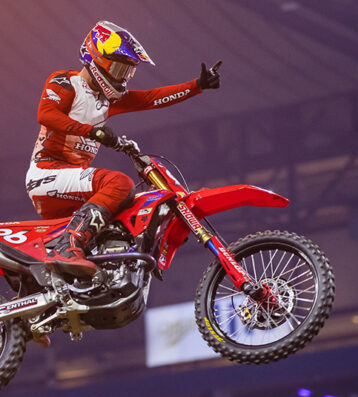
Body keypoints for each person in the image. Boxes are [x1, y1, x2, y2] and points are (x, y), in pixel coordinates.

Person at [26, 20, 220, 277]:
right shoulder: (64, 82)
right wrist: (92, 131)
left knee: (128, 211)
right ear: (95, 57)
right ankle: (68, 246)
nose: (123, 77)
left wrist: (197, 85)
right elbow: (46, 114)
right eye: (118, 68)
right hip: (46, 173)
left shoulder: (108, 100)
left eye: (128, 71)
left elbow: (151, 98)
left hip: (72, 185)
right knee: (119, 184)